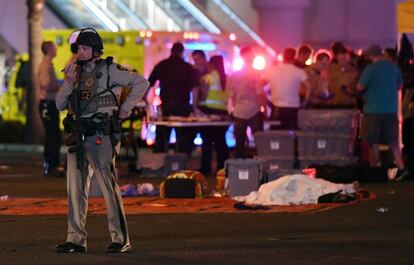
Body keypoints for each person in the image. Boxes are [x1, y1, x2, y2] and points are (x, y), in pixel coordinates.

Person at [54, 28, 149, 253]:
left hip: (101, 135)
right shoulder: (74, 73)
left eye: (85, 48)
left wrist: (125, 108)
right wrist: (68, 82)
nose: (80, 52)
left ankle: (120, 239)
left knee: (108, 187)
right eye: (78, 48)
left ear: (96, 50)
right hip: (79, 136)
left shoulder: (109, 69)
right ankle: (75, 239)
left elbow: (141, 83)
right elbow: (59, 104)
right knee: (75, 189)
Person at [357, 44, 410, 180]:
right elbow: (400, 85)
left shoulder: (370, 69)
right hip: (390, 109)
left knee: (373, 141)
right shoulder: (393, 67)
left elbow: (360, 86)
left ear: (370, 56)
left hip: (373, 110)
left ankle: (376, 169)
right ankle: (402, 168)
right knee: (393, 141)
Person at [147, 42, 198, 156]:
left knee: (162, 136)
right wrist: (194, 108)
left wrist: (143, 101)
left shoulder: (162, 65)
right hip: (183, 107)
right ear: (182, 52)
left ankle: (160, 163)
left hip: (166, 106)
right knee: (183, 138)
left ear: (171, 51)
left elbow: (148, 84)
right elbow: (195, 89)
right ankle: (181, 164)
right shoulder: (187, 67)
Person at [227, 46, 266, 158]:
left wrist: (232, 110)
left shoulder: (234, 75)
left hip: (238, 112)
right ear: (247, 56)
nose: (253, 56)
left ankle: (239, 168)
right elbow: (260, 94)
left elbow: (230, 95)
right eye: (252, 54)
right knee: (260, 142)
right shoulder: (255, 74)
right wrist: (264, 110)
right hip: (254, 111)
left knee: (239, 143)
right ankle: (259, 167)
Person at [263, 47, 310, 130]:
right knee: (292, 135)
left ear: (283, 56)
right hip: (293, 108)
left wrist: (266, 99)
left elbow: (261, 85)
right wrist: (305, 101)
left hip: (276, 107)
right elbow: (309, 86)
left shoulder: (272, 70)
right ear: (294, 57)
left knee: (276, 136)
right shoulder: (299, 71)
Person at [197, 55, 229, 174]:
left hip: (209, 111)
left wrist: (198, 104)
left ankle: (206, 168)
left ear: (212, 65)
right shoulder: (226, 78)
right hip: (223, 113)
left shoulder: (207, 78)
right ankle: (223, 168)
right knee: (221, 141)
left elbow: (204, 95)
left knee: (207, 141)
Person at [37, 41, 63, 177]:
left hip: (49, 103)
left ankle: (52, 165)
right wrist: (60, 86)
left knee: (53, 134)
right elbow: (45, 84)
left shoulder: (48, 65)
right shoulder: (45, 66)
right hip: (47, 103)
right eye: (54, 47)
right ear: (48, 49)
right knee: (53, 135)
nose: (56, 48)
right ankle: (51, 165)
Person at [328, 44, 359, 108]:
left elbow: (360, 91)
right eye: (340, 59)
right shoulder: (331, 70)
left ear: (348, 58)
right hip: (334, 105)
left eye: (344, 59)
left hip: (349, 105)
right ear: (337, 58)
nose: (342, 61)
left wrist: (350, 91)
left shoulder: (355, 71)